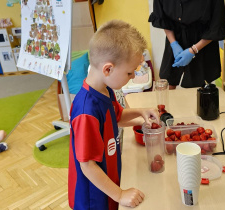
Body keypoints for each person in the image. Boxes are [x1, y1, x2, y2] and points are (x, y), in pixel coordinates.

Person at [68, 20, 159, 210]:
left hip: (108, 182)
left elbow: (116, 117)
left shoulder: (104, 89)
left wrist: (141, 112)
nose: (133, 76)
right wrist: (120, 194)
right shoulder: (86, 111)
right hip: (93, 197)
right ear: (108, 69)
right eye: (129, 72)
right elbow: (87, 165)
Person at [149, 0, 225, 89]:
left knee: (197, 88)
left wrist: (194, 49)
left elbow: (216, 25)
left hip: (203, 41)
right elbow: (163, 19)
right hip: (174, 37)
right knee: (166, 82)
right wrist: (174, 44)